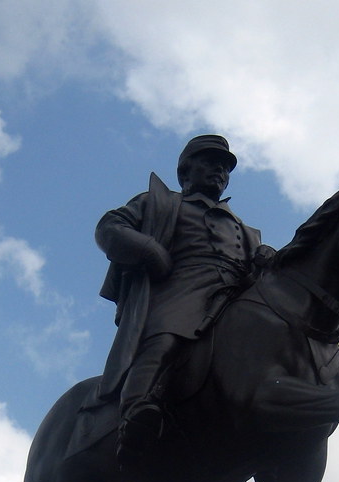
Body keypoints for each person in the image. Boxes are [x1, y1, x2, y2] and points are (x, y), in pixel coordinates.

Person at [95, 134, 274, 460]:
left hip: (233, 298)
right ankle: (134, 412)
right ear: (186, 171)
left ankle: (277, 464)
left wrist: (264, 266)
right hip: (181, 290)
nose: (220, 171)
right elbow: (110, 227)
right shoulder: (160, 204)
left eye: (225, 167)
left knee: (273, 356)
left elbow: (256, 279)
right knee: (166, 338)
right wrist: (150, 250)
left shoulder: (246, 231)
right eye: (210, 163)